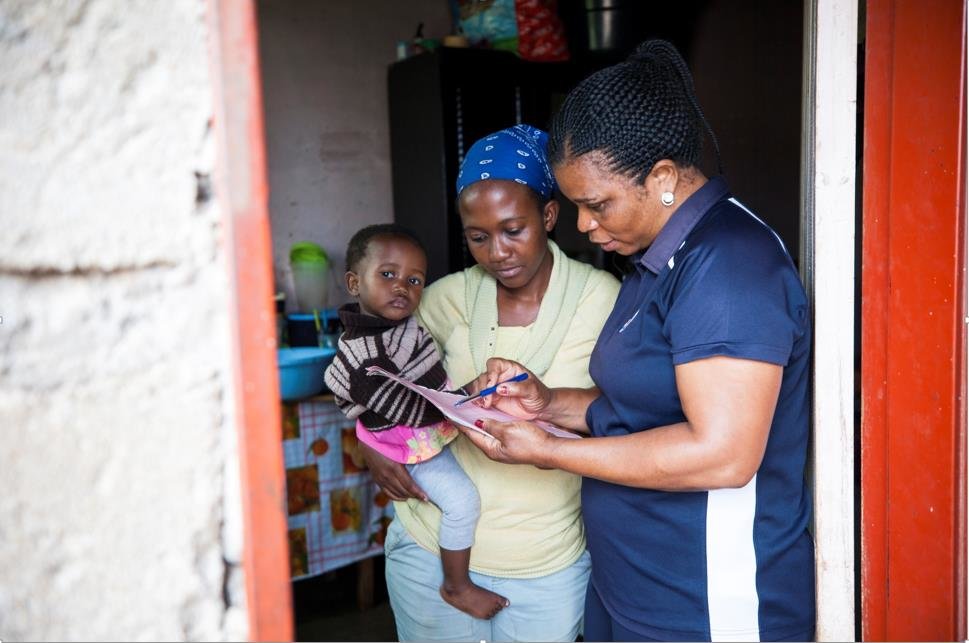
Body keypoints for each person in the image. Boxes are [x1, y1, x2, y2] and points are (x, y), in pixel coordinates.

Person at [462, 40, 816, 642]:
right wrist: (546, 404)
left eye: (596, 204)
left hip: (705, 602)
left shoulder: (729, 265)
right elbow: (640, 412)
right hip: (635, 589)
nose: (582, 226)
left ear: (663, 178)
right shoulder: (657, 259)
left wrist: (547, 451)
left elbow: (722, 454)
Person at [359, 124, 621, 641]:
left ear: (548, 216)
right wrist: (371, 445)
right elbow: (371, 369)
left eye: (513, 230)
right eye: (479, 237)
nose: (497, 251)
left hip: (545, 561)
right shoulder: (444, 298)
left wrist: (546, 406)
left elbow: (631, 409)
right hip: (429, 546)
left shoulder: (603, 300)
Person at [323, 223, 509, 619]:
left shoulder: (400, 328)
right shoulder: (361, 356)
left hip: (429, 426)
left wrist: (464, 396)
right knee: (462, 502)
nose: (401, 287)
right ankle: (456, 586)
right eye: (387, 274)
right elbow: (411, 408)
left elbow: (429, 379)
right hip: (408, 446)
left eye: (414, 279)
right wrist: (462, 404)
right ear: (354, 283)